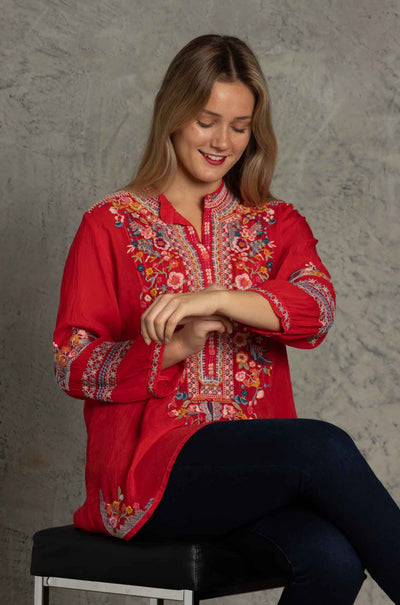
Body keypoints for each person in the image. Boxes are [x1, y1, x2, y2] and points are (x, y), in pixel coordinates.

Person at [53, 34, 400, 604]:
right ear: (173, 114)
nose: (222, 142)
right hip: (152, 474)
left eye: (240, 127)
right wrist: (171, 348)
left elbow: (316, 309)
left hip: (258, 473)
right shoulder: (109, 224)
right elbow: (72, 364)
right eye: (206, 121)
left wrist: (217, 298)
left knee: (333, 559)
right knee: (322, 447)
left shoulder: (275, 223)